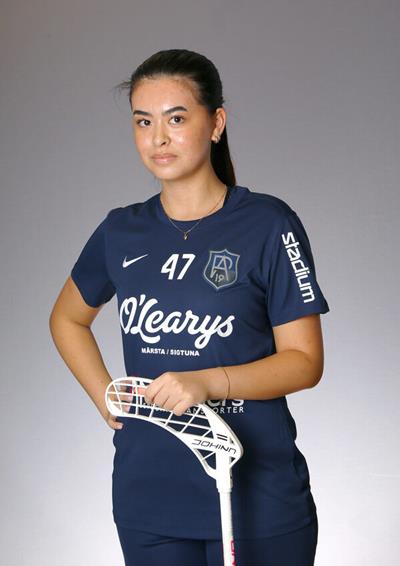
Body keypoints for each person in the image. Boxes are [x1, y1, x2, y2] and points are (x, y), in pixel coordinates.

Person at [49, 48, 329, 566]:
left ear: (216, 123)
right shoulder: (121, 230)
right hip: (148, 497)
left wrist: (206, 381)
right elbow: (67, 319)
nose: (158, 138)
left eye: (176, 119)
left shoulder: (268, 224)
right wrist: (109, 400)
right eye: (143, 122)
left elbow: (305, 362)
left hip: (256, 496)